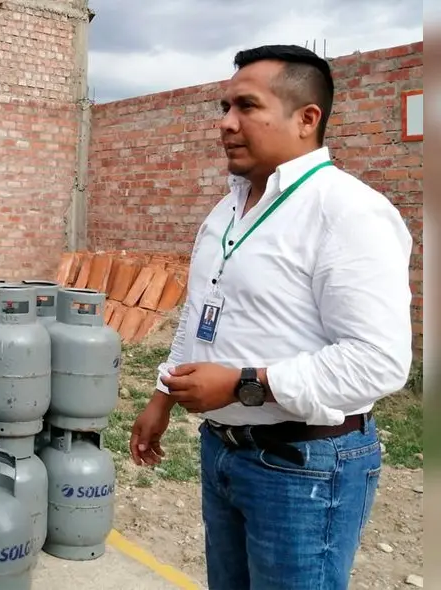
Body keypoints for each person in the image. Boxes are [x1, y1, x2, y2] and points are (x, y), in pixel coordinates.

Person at [129, 44, 413, 590]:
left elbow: (378, 362)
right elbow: (199, 313)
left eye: (246, 106)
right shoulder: (228, 209)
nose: (227, 124)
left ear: (307, 119)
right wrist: (163, 394)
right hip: (224, 454)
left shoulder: (349, 212)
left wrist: (241, 385)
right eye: (223, 108)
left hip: (305, 464)